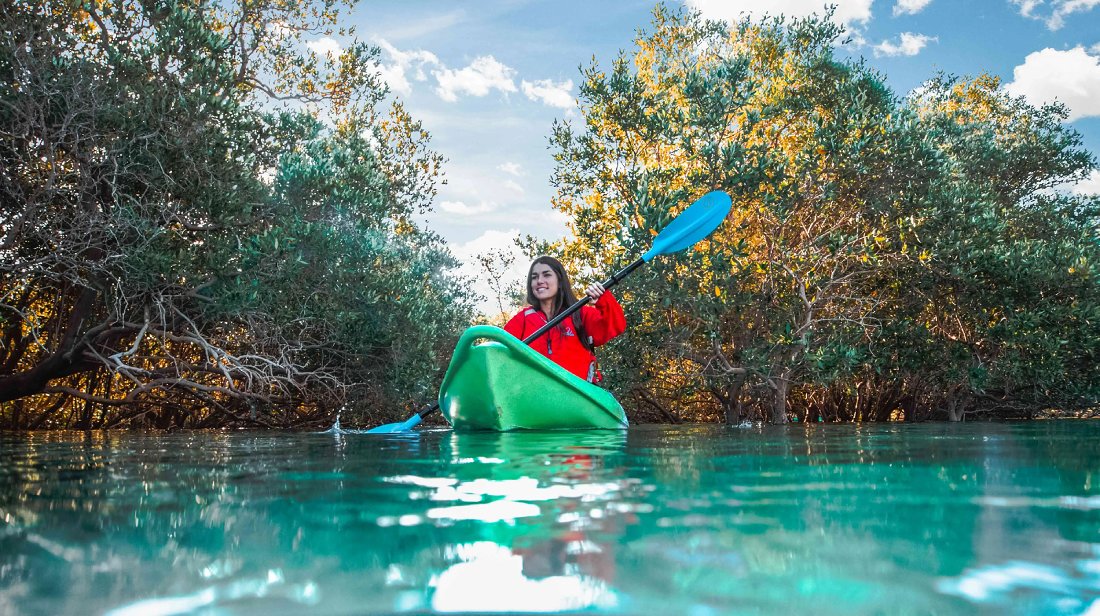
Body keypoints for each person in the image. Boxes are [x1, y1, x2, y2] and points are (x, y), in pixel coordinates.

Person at [504, 256, 626, 383]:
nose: (539, 280)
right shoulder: (523, 319)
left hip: (576, 395)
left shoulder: (580, 313)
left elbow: (616, 325)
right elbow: (500, 349)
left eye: (546, 275)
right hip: (536, 394)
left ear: (560, 281)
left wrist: (603, 298)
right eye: (534, 277)